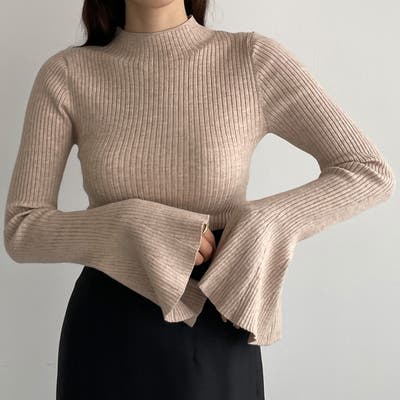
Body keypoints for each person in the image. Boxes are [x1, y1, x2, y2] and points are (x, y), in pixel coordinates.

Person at [3, 1, 395, 399]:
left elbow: (367, 170)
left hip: (215, 319)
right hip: (108, 330)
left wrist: (266, 221)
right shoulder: (67, 74)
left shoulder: (250, 59)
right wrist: (129, 223)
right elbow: (22, 228)